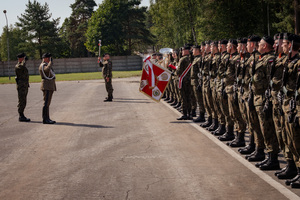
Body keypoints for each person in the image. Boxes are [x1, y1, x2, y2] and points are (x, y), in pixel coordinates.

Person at [251, 36, 279, 170]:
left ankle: (273, 158)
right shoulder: (261, 58)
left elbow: (270, 81)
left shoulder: (270, 60)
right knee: (262, 128)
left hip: (264, 98)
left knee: (268, 129)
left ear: (266, 46)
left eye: (260, 44)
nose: (258, 46)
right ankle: (267, 155)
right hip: (258, 98)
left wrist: (268, 100)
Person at [39, 53, 56, 124]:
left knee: (48, 103)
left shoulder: (45, 64)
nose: (49, 59)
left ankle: (47, 118)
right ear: (45, 58)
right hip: (47, 86)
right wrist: (50, 63)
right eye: (48, 58)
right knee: (46, 103)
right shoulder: (43, 65)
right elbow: (47, 70)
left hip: (49, 86)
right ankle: (45, 119)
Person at [175, 45, 192, 120]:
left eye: (183, 50)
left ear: (187, 51)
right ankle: (189, 113)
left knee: (183, 98)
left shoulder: (182, 59)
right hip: (189, 81)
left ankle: (184, 114)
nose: (181, 52)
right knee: (189, 97)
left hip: (183, 81)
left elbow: (178, 71)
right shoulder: (191, 58)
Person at [15, 53, 30, 122]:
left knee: (24, 100)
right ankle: (21, 115)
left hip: (24, 85)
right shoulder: (18, 66)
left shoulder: (22, 65)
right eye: (23, 58)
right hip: (21, 86)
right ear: (20, 58)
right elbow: (22, 66)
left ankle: (22, 114)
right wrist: (23, 61)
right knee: (21, 100)